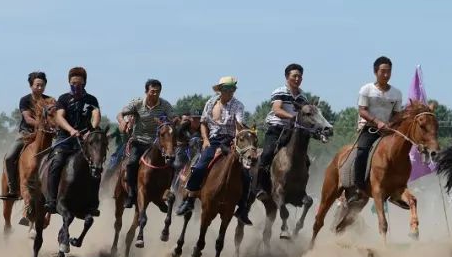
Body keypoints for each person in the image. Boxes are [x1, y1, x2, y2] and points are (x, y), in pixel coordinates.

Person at [177, 76, 254, 226]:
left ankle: (242, 209)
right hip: (213, 141)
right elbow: (203, 123)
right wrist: (205, 139)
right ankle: (190, 199)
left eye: (232, 89)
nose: (230, 92)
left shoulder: (238, 105)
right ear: (220, 90)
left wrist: (238, 138)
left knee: (246, 174)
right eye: (227, 89)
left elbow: (239, 123)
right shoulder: (211, 103)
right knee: (199, 167)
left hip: (231, 140)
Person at [45, 66, 102, 216]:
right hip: (65, 139)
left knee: (96, 165)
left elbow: (96, 115)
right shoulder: (64, 99)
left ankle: (93, 203)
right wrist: (71, 130)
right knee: (57, 162)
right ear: (69, 82)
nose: (76, 86)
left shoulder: (91, 100)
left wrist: (91, 130)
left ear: (85, 83)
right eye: (73, 83)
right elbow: (59, 117)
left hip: (84, 141)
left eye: (79, 83)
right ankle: (51, 200)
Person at [254, 63, 309, 205]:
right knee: (267, 154)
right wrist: (293, 118)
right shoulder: (279, 91)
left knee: (306, 160)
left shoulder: (303, 97)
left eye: (300, 76)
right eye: (294, 76)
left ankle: (300, 191)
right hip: (276, 129)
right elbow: (277, 109)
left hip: (293, 132)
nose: (298, 79)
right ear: (287, 77)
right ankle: (260, 187)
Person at [117, 79, 175, 209]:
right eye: (152, 91)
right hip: (139, 141)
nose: (155, 94)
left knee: (172, 163)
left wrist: (178, 121)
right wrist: (122, 122)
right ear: (146, 91)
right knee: (131, 163)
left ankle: (165, 193)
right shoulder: (137, 103)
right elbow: (120, 114)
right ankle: (132, 193)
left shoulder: (165, 105)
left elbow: (173, 117)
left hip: (156, 144)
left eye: (158, 92)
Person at [351, 56, 404, 192]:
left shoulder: (397, 93)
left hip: (389, 131)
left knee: (402, 152)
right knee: (362, 151)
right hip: (369, 129)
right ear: (375, 72)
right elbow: (362, 111)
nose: (386, 75)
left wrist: (391, 124)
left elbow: (398, 114)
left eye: (389, 71)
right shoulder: (366, 90)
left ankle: (399, 185)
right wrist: (377, 122)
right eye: (383, 71)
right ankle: (359, 185)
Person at [1, 71, 52, 203]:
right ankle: (13, 189)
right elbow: (28, 119)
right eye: (37, 85)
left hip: (46, 137)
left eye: (42, 85)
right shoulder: (25, 100)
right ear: (31, 86)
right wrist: (41, 124)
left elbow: (55, 117)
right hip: (26, 135)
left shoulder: (50, 101)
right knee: (9, 157)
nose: (40, 88)